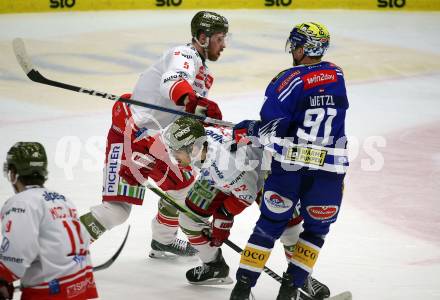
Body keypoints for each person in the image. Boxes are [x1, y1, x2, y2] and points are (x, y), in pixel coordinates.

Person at [79, 11, 229, 258]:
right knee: (116, 211)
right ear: (203, 37)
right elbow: (172, 82)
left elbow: (185, 114)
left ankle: (163, 240)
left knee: (186, 188)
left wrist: (205, 120)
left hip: (159, 142)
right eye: (219, 38)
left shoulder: (204, 74)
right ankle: (62, 248)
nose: (223, 45)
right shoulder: (184, 54)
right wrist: (193, 101)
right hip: (131, 136)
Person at [229, 22, 349, 300]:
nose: (293, 50)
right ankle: (290, 290)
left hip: (291, 166)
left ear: (303, 48)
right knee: (316, 231)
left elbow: (273, 129)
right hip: (330, 169)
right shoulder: (337, 73)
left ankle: (242, 289)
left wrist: (248, 129)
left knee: (269, 225)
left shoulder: (288, 79)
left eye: (296, 44)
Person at [162, 117, 329, 298]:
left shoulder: (226, 165)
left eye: (176, 152)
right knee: (189, 219)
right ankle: (214, 266)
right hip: (224, 176)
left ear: (192, 149)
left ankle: (302, 278)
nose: (174, 157)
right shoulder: (204, 145)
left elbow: (245, 196)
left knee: (290, 228)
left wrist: (221, 223)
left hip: (265, 173)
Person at [0, 142, 98, 300]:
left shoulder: (21, 203)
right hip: (79, 287)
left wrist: (3, 278)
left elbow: (17, 253)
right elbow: (82, 241)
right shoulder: (63, 199)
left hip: (48, 293)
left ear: (13, 173)